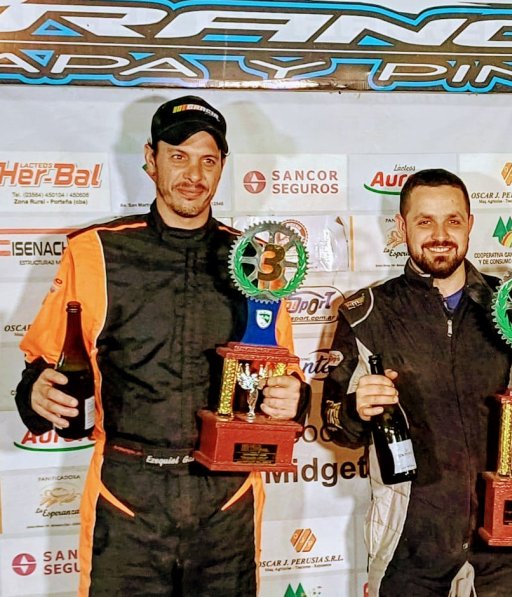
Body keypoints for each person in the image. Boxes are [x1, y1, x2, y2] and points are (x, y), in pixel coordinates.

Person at [14, 96, 308, 596]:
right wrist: (35, 393)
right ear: (151, 159)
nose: (193, 174)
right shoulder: (95, 251)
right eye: (178, 156)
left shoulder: (258, 261)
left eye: (208, 160)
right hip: (126, 498)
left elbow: (283, 374)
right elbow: (42, 368)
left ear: (222, 167)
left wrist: (293, 399)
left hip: (226, 496)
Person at [321, 168, 512, 597]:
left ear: (470, 224)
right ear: (401, 226)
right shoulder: (366, 313)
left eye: (453, 220)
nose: (440, 235)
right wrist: (355, 408)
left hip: (502, 547)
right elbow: (335, 426)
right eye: (425, 221)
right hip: (410, 547)